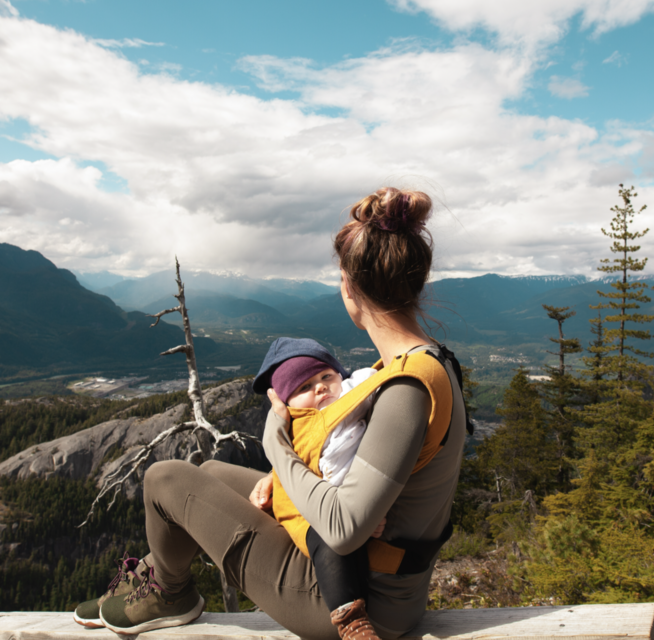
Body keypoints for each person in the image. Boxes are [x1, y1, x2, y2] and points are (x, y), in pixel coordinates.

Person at [73, 186, 467, 640]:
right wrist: (286, 480)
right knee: (214, 474)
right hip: (377, 578)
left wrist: (277, 444)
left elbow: (341, 529)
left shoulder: (405, 389)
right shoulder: (426, 363)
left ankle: (170, 591)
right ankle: (152, 580)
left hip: (357, 602)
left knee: (165, 478)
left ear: (349, 287)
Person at [250, 337, 383, 637]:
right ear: (287, 403)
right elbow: (298, 463)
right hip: (308, 510)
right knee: (330, 544)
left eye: (326, 377)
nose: (320, 387)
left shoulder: (354, 396)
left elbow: (374, 379)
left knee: (350, 543)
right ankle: (351, 621)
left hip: (355, 500)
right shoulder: (299, 426)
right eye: (304, 387)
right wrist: (274, 473)